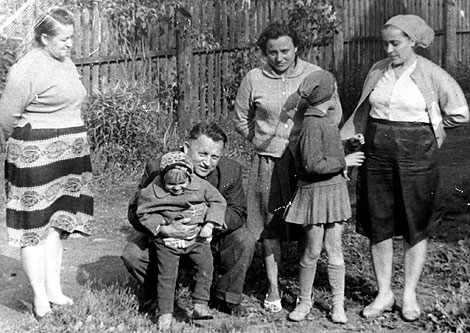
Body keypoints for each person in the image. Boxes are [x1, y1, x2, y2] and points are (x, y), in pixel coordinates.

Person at [340, 14, 469, 322]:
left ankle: (409, 293)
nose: (389, 50)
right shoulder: (377, 71)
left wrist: (428, 131)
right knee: (378, 220)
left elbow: (460, 113)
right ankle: (384, 292)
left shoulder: (431, 73)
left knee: (415, 221)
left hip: (418, 153)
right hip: (377, 150)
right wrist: (357, 135)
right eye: (385, 44)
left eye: (395, 44)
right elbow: (365, 110)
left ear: (412, 41)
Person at [233, 21, 343, 312]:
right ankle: (272, 287)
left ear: (296, 48)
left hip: (307, 163)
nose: (279, 58)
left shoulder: (315, 75)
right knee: (270, 226)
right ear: (263, 53)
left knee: (312, 222)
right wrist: (260, 142)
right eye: (272, 52)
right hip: (268, 162)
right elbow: (241, 118)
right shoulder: (254, 78)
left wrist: (313, 144)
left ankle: (306, 291)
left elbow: (334, 114)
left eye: (285, 51)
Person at [0, 8, 93, 319]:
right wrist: (33, 145)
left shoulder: (66, 63)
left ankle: (54, 289)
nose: (70, 45)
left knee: (58, 224)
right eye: (63, 39)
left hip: (70, 156)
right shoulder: (26, 68)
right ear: (44, 38)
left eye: (71, 38)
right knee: (34, 227)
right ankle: (40, 298)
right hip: (35, 157)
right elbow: (7, 118)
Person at [122, 122, 257, 316]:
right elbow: (135, 212)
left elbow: (238, 211)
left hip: (207, 237)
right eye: (202, 154)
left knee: (244, 239)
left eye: (214, 157)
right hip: (166, 237)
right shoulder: (157, 168)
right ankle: (159, 295)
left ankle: (225, 297)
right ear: (185, 148)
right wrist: (164, 228)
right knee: (133, 254)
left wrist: (205, 223)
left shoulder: (230, 170)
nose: (207, 163)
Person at [282, 70, 365, 324]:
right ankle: (305, 301)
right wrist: (345, 161)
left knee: (334, 247)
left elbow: (329, 148)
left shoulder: (324, 120)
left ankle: (338, 304)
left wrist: (348, 144)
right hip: (316, 192)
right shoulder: (311, 124)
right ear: (330, 95)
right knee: (312, 249)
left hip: (333, 190)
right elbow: (312, 164)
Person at [136, 151, 226, 330]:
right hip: (167, 240)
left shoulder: (201, 185)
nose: (177, 188)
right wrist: (163, 229)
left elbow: (218, 201)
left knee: (205, 266)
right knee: (167, 276)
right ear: (162, 180)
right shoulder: (151, 192)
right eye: (171, 184)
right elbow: (142, 213)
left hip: (196, 237)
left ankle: (200, 304)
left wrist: (210, 223)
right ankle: (165, 314)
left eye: (182, 183)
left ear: (190, 177)